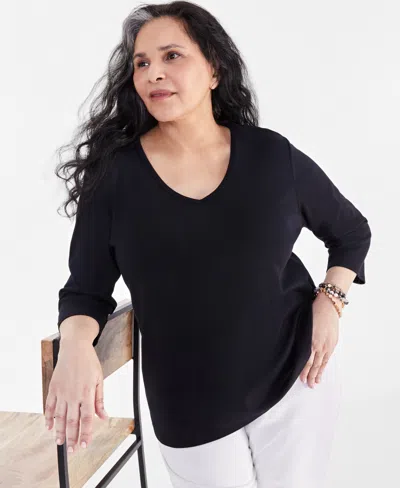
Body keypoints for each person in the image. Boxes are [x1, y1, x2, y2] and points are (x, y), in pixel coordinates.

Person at [45, 2, 372, 487]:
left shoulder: (271, 156)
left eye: (171, 56)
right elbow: (86, 289)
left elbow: (350, 232)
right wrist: (75, 346)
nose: (153, 72)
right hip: (188, 405)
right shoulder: (115, 178)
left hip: (298, 380)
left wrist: (331, 300)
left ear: (214, 70)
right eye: (141, 62)